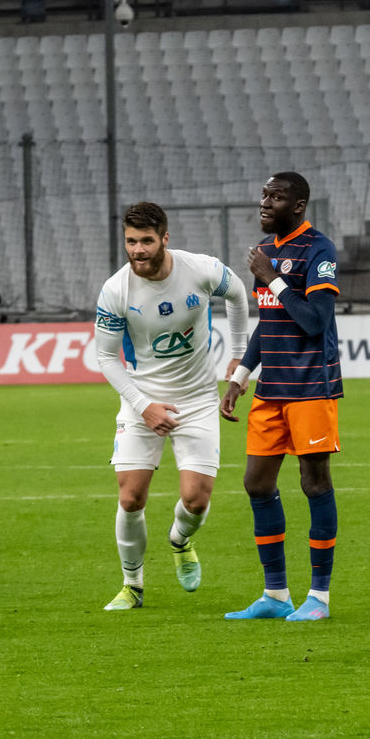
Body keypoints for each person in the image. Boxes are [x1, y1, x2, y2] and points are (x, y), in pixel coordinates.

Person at [93, 202, 250, 611]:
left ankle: (180, 540)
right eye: (131, 241)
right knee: (130, 498)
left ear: (165, 238)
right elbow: (106, 357)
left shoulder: (200, 269)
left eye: (146, 240)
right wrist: (143, 406)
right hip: (141, 401)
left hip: (197, 400)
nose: (138, 250)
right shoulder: (116, 290)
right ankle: (132, 586)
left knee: (196, 500)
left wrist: (239, 353)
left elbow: (238, 293)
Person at [219, 172, 343, 622]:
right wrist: (241, 376)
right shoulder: (265, 251)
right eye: (264, 195)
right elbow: (269, 323)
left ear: (299, 206)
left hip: (310, 385)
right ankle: (275, 595)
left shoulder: (318, 250)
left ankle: (319, 598)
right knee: (257, 483)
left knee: (314, 483)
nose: (265, 203)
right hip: (271, 389)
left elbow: (314, 321)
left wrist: (271, 278)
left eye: (276, 197)